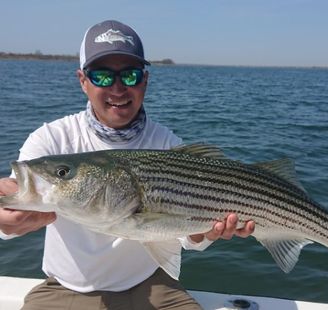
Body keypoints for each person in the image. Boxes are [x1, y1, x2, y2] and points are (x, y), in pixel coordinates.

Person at [0, 20, 255, 309]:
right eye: (102, 76)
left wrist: (207, 231)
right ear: (83, 81)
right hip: (67, 287)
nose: (118, 88)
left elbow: (187, 237)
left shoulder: (167, 144)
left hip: (154, 283)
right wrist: (4, 219)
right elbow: (11, 203)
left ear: (145, 80)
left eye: (130, 76)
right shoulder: (52, 139)